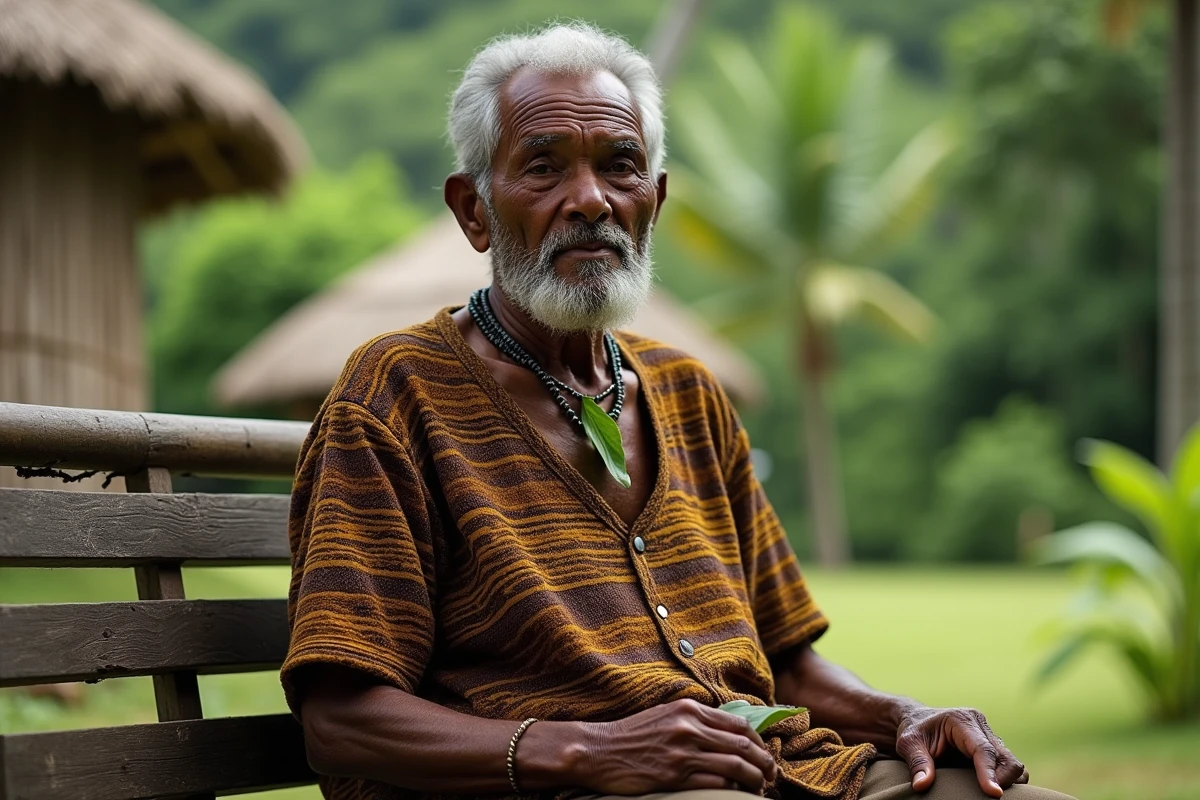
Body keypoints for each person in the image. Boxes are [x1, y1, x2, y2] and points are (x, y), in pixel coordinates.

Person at [281, 22, 1075, 800]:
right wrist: (590, 751)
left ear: (653, 202)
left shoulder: (691, 394)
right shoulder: (395, 395)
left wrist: (906, 714)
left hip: (799, 772)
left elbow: (789, 663)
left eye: (620, 166)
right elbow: (342, 722)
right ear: (475, 209)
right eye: (544, 168)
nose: (589, 199)